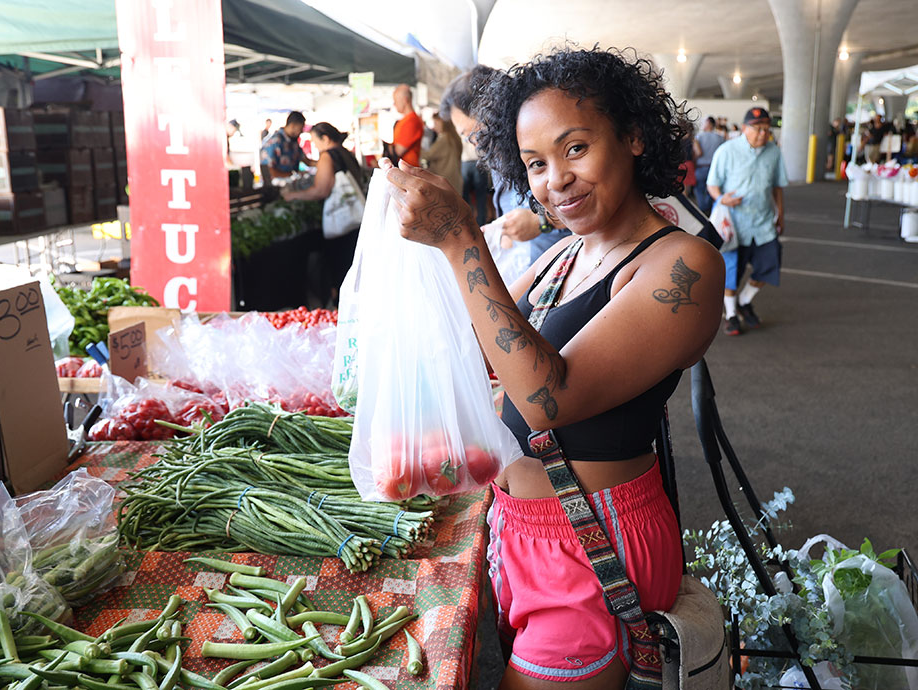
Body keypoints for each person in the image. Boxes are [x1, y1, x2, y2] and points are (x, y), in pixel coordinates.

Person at [381, 47, 724, 688]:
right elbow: (493, 353)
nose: (555, 180)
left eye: (574, 149)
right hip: (524, 530)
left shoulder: (683, 266)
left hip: (595, 548)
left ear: (633, 137)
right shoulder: (564, 255)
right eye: (536, 163)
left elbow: (545, 395)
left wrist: (462, 240)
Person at [440, 65, 572, 263]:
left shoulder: (535, 142)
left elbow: (586, 201)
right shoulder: (498, 157)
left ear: (490, 113)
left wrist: (541, 221)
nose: (475, 144)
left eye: (472, 134)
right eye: (468, 138)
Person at [706, 106, 788, 336]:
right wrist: (721, 198)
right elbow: (712, 184)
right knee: (730, 271)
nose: (763, 133)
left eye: (766, 129)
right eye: (758, 129)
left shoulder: (774, 152)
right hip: (734, 224)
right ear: (744, 128)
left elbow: (777, 187)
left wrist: (781, 214)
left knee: (769, 264)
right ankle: (731, 314)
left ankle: (744, 300)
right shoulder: (727, 151)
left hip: (763, 224)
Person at [281, 122, 366, 302]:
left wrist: (293, 196)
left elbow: (320, 190)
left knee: (341, 275)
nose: (314, 146)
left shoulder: (327, 156)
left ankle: (341, 314)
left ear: (325, 139)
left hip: (341, 226)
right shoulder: (346, 154)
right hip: (356, 221)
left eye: (314, 141)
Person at [260, 111, 310, 181]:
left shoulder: (293, 141)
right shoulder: (274, 142)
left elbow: (306, 160)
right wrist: (293, 175)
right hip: (276, 186)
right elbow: (269, 171)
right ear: (292, 125)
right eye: (300, 129)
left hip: (291, 185)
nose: (301, 132)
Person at [423, 113, 463, 193]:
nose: (434, 127)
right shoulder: (454, 137)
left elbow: (428, 155)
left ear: (443, 123)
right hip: (455, 178)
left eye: (436, 123)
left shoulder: (444, 138)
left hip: (446, 178)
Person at [693, 116, 725, 214]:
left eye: (704, 122)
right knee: (713, 189)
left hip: (701, 167)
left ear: (709, 124)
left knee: (699, 189)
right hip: (715, 169)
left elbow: (696, 152)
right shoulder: (720, 137)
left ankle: (703, 209)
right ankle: (710, 210)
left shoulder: (698, 137)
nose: (702, 124)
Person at [389, 84, 423, 167]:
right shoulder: (404, 120)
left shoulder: (412, 121)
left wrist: (385, 146)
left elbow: (398, 151)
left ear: (405, 100)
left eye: (395, 101)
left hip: (409, 170)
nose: (394, 104)